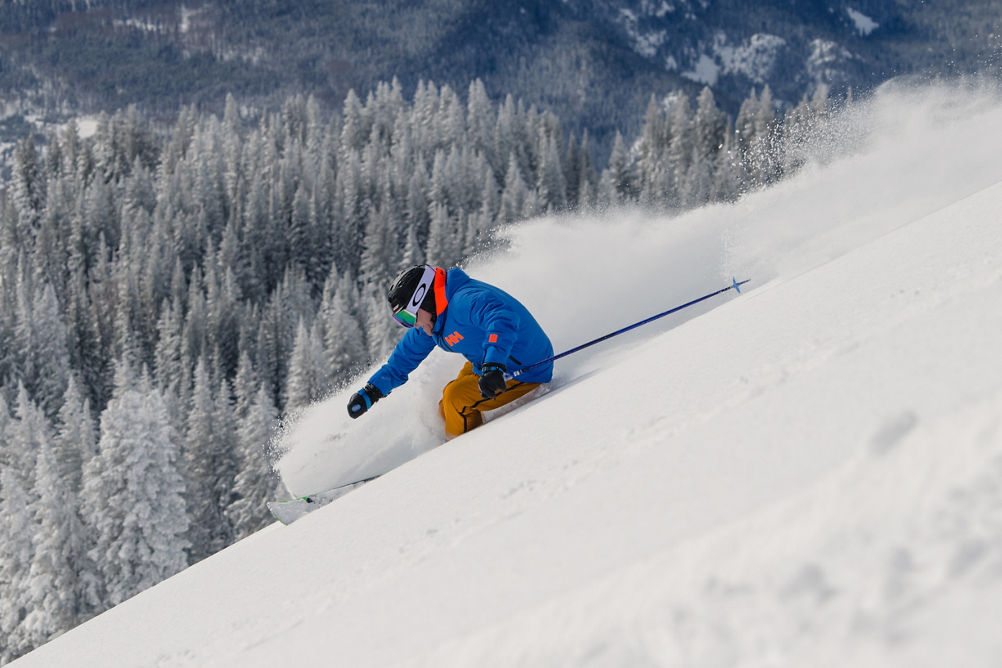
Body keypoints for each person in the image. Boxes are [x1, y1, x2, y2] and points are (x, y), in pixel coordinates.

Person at [347, 264, 553, 438]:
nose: (413, 325)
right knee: (445, 405)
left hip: (525, 366)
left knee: (456, 399)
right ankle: (461, 437)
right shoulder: (435, 319)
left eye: (409, 318)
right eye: (403, 321)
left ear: (425, 298)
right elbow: (403, 358)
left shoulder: (464, 301)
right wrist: (371, 391)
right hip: (489, 360)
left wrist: (494, 365)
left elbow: (502, 317)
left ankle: (457, 458)